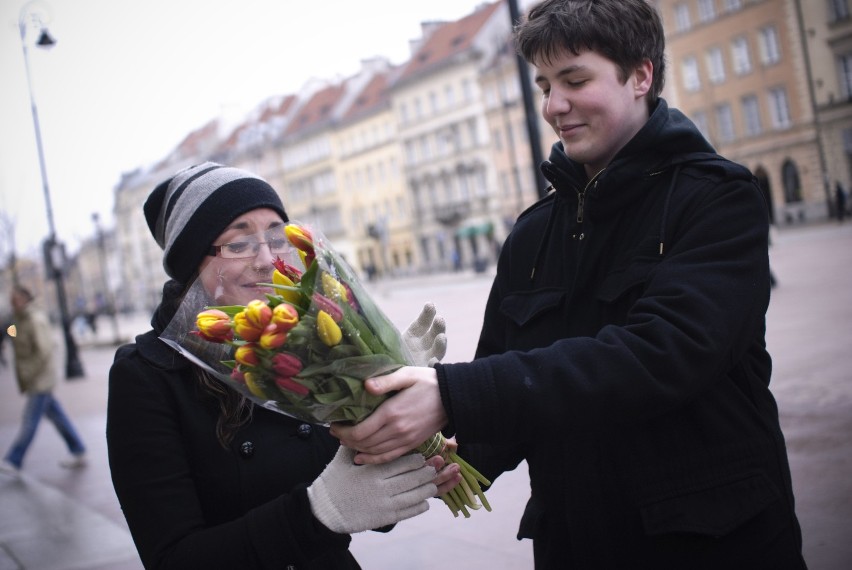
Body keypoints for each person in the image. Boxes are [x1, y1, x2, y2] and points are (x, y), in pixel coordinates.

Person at [331, 1, 806, 568]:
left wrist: (454, 395)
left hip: (711, 542)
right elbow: (503, 403)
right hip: (576, 544)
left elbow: (664, 355)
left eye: (575, 80)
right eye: (544, 86)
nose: (554, 106)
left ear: (640, 76)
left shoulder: (717, 198)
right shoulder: (533, 234)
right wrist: (418, 441)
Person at [106, 162, 457, 569]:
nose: (267, 259)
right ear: (191, 263)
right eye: (239, 244)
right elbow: (173, 558)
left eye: (277, 237)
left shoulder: (305, 341)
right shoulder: (147, 377)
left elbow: (359, 498)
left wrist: (388, 403)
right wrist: (318, 513)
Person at [1, 285, 87, 475]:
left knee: (30, 419)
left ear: (24, 299)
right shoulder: (19, 321)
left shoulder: (35, 320)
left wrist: (29, 373)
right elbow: (13, 338)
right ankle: (78, 448)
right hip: (34, 377)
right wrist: (9, 328)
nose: (11, 304)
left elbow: (44, 350)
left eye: (14, 300)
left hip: (40, 378)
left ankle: (14, 459)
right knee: (56, 415)